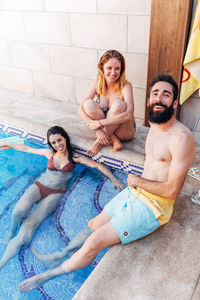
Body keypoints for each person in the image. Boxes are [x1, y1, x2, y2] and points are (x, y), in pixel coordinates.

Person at [18, 74, 195, 293]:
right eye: (155, 94)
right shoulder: (154, 127)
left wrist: (138, 181)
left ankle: (48, 276)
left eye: (166, 95)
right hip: (136, 191)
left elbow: (171, 191)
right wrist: (137, 184)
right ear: (149, 100)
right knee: (93, 224)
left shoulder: (182, 138)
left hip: (154, 207)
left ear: (175, 103)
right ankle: (63, 253)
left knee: (94, 242)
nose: (158, 99)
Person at [0, 126, 124, 270]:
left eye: (59, 140)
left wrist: (114, 179)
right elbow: (27, 149)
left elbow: (97, 166)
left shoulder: (75, 157)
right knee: (17, 211)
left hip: (55, 193)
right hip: (39, 186)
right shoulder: (49, 154)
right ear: (50, 144)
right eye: (53, 142)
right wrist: (4, 141)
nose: (58, 144)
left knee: (29, 224)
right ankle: (11, 230)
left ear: (65, 138)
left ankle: (3, 262)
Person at [79, 49, 135, 156]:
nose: (113, 72)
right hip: (105, 128)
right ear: (102, 68)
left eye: (117, 68)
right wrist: (97, 130)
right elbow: (81, 108)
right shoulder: (97, 83)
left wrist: (99, 124)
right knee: (88, 104)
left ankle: (98, 143)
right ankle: (112, 138)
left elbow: (129, 115)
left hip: (123, 130)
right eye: (109, 68)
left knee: (119, 104)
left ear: (121, 70)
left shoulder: (126, 85)